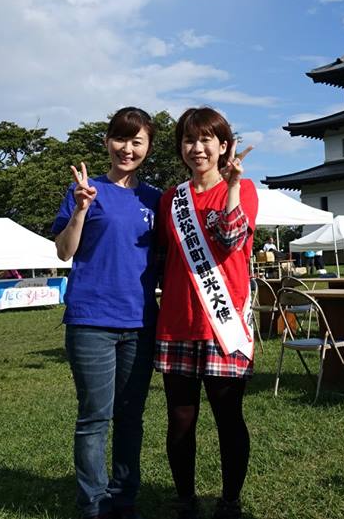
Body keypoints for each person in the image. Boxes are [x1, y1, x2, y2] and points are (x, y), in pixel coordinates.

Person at [52, 107, 161, 519]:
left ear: (148, 148)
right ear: (107, 142)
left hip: (140, 322)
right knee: (95, 416)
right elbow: (65, 251)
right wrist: (80, 209)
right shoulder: (84, 190)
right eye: (121, 139)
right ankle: (94, 503)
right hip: (91, 320)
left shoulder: (155, 199)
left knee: (131, 416)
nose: (127, 149)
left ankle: (125, 496)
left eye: (137, 142)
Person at [155, 107, 258, 519]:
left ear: (223, 145)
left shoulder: (244, 188)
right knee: (180, 420)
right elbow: (161, 255)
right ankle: (185, 498)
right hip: (178, 321)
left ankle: (230, 500)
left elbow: (232, 237)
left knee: (228, 418)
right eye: (188, 140)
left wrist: (231, 186)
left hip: (223, 325)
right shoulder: (171, 199)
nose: (197, 148)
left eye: (205, 140)